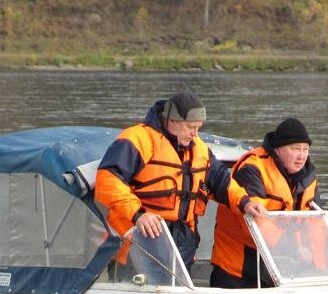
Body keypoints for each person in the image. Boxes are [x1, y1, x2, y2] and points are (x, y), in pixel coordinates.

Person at [94, 92, 269, 273]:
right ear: (172, 120)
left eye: (198, 128)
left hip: (183, 242)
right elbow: (108, 179)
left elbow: (221, 181)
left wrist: (246, 203)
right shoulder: (138, 139)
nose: (195, 133)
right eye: (190, 127)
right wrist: (138, 215)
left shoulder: (199, 148)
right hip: (141, 239)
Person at [210, 117, 320, 289]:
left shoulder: (307, 179)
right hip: (236, 270)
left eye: (305, 149)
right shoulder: (253, 168)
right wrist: (293, 249)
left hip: (281, 270)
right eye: (295, 149)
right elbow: (255, 221)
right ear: (278, 149)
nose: (301, 156)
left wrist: (316, 262)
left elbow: (316, 224)